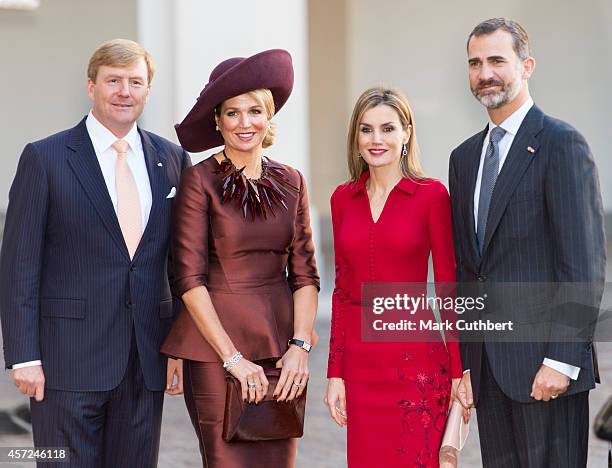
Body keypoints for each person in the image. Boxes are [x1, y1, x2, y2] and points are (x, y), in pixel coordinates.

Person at [0, 39, 190, 466]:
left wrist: (179, 345)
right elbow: (19, 266)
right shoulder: (45, 158)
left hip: (146, 360)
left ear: (147, 91)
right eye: (114, 80)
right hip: (65, 362)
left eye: (136, 82)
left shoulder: (173, 159)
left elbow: (182, 264)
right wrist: (24, 357)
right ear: (92, 87)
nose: (125, 91)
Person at [449, 18, 606, 467]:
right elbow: (469, 268)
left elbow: (584, 263)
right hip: (489, 371)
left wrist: (562, 358)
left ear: (527, 65)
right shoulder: (464, 158)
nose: (485, 73)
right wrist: (468, 360)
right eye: (475, 63)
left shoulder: (561, 143)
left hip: (547, 367)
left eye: (497, 60)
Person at [160, 49, 320, 468]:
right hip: (215, 348)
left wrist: (300, 347)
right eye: (232, 113)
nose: (244, 123)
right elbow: (189, 278)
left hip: (280, 347)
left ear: (269, 117)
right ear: (217, 120)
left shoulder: (293, 180)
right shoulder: (198, 180)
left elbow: (305, 273)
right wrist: (232, 358)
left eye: (254, 111)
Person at [324, 86, 463, 467]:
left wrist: (457, 371)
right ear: (356, 138)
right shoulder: (342, 198)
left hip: (417, 365)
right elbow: (341, 291)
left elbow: (449, 288)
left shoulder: (432, 196)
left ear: (406, 134)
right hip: (360, 365)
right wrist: (334, 373)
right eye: (366, 130)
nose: (376, 139)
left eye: (387, 128)